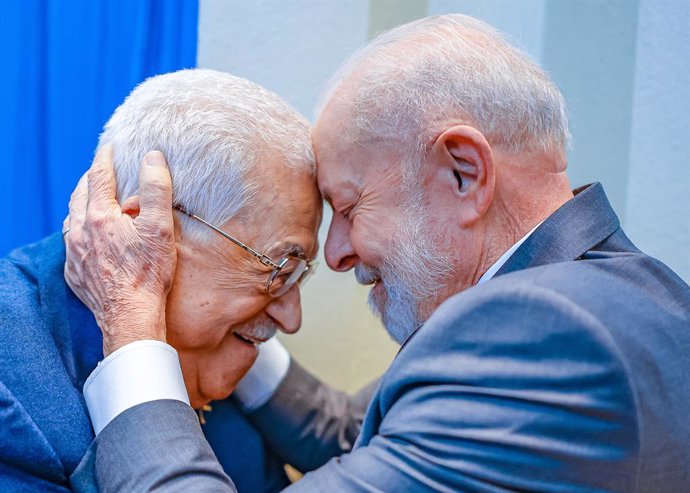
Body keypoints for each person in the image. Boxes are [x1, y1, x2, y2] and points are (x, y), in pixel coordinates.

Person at [65, 14, 690, 493]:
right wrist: (226, 314)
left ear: (463, 173)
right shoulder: (622, 292)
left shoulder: (540, 333)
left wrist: (133, 322)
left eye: (350, 205)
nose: (335, 254)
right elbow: (361, 441)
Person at [0, 68, 322, 492]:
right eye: (278, 268)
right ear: (142, 230)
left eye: (298, 275)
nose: (292, 317)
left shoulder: (213, 348)